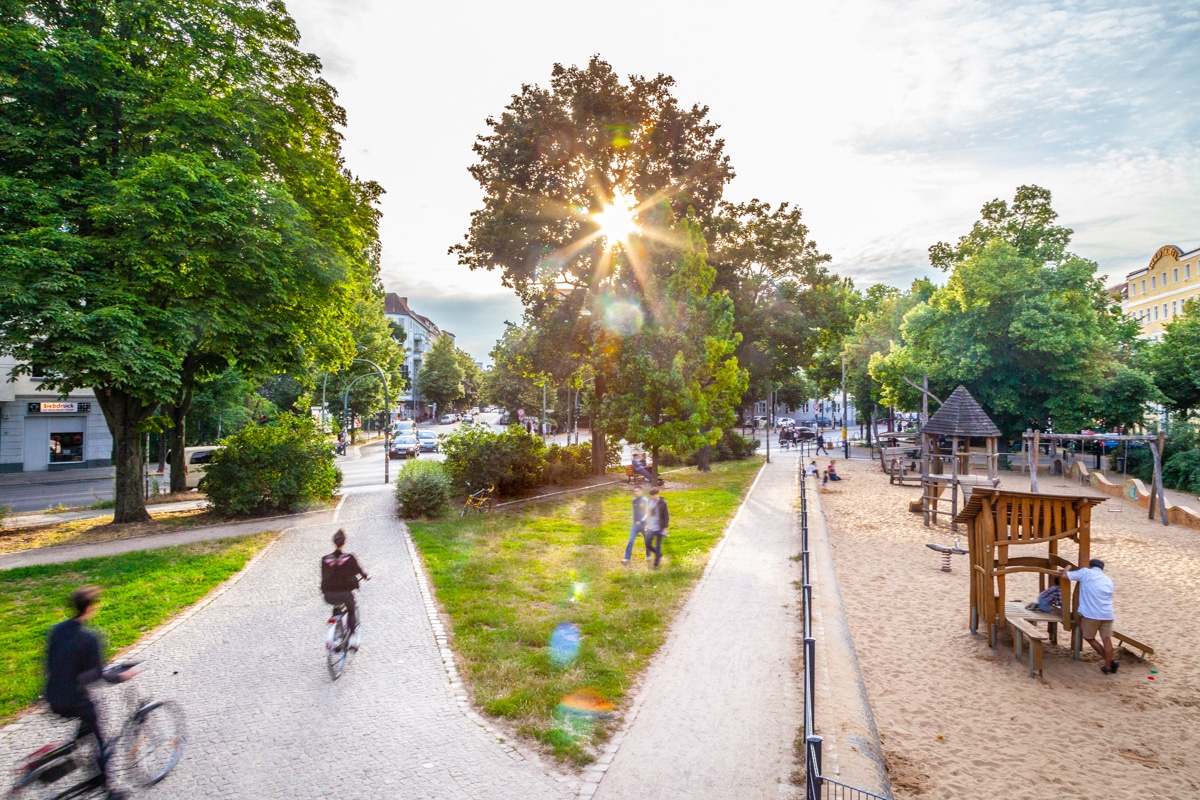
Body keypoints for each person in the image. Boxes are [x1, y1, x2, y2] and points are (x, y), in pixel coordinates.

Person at [45, 586, 139, 800]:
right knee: (101, 741)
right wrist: (125, 675)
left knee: (81, 739)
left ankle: (53, 770)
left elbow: (55, 664)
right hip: (75, 700)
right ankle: (110, 791)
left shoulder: (57, 630)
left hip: (53, 696)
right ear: (89, 608)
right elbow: (99, 676)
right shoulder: (89, 638)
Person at [1063, 558, 1117, 674]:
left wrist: (1067, 567)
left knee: (1089, 637)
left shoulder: (1085, 572)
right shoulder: (1108, 580)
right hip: (1107, 613)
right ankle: (1108, 666)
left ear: (1090, 565)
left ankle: (1110, 661)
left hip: (1092, 614)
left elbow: (1065, 576)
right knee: (1107, 640)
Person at [321, 529, 370, 649]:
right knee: (351, 610)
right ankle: (352, 637)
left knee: (337, 607)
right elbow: (359, 571)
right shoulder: (349, 558)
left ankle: (336, 631)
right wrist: (365, 576)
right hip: (345, 594)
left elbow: (324, 577)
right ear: (344, 542)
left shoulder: (325, 559)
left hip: (329, 596)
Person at [643, 487, 670, 569]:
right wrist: (647, 524)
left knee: (658, 546)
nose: (652, 497)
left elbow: (666, 516)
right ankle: (658, 553)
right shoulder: (649, 501)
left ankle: (656, 565)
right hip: (651, 527)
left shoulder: (663, 503)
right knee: (648, 544)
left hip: (659, 527)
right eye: (651, 495)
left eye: (654, 495)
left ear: (657, 494)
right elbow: (648, 513)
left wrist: (665, 528)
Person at [621, 486, 648, 564]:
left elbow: (648, 513)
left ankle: (648, 555)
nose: (636, 493)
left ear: (642, 491)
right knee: (631, 540)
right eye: (635, 491)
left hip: (644, 524)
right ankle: (627, 558)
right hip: (635, 525)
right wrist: (635, 521)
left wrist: (642, 520)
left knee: (647, 541)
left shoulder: (645, 500)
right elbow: (635, 512)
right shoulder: (634, 500)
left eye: (638, 491)